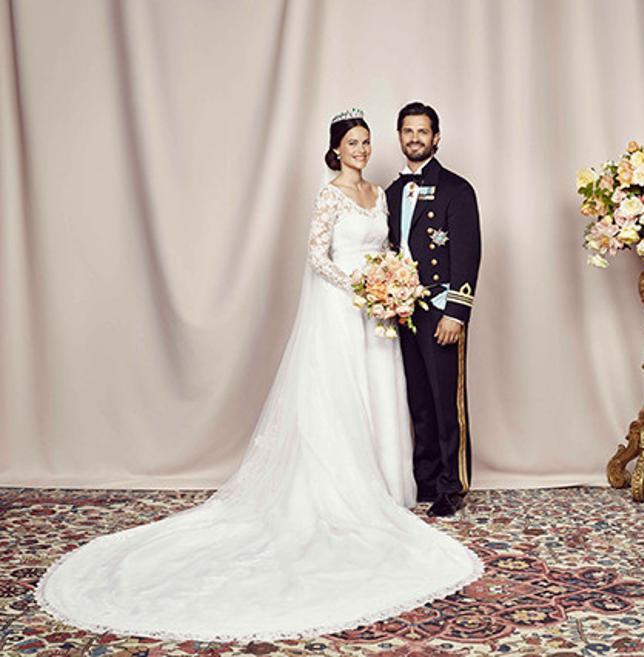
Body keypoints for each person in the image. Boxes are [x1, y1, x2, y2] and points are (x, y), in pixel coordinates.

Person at [34, 109, 482, 642]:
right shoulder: (334, 195)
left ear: (433, 137)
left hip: (392, 312)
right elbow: (318, 256)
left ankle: (423, 485)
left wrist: (400, 292)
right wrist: (364, 288)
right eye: (356, 142)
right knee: (353, 397)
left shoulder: (396, 192)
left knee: (393, 396)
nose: (365, 149)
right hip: (351, 309)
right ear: (337, 149)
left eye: (369, 141)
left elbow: (406, 251)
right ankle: (380, 487)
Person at [385, 102, 482, 518]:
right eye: (408, 131)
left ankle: (451, 485)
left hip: (441, 309)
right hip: (403, 310)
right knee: (418, 399)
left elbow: (468, 255)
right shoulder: (391, 193)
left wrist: (456, 313)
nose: (415, 138)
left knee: (446, 402)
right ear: (400, 137)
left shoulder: (457, 190)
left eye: (422, 131)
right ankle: (424, 479)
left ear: (436, 138)